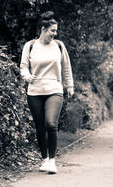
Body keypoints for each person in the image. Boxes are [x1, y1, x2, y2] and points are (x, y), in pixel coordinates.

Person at [20, 11, 74, 174]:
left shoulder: (59, 45)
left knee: (51, 123)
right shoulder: (30, 46)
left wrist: (69, 85)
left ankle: (52, 160)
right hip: (35, 91)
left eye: (56, 31)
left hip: (54, 89)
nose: (55, 34)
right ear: (43, 29)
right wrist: (27, 75)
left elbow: (66, 66)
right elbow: (23, 67)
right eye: (52, 30)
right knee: (40, 126)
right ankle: (44, 159)